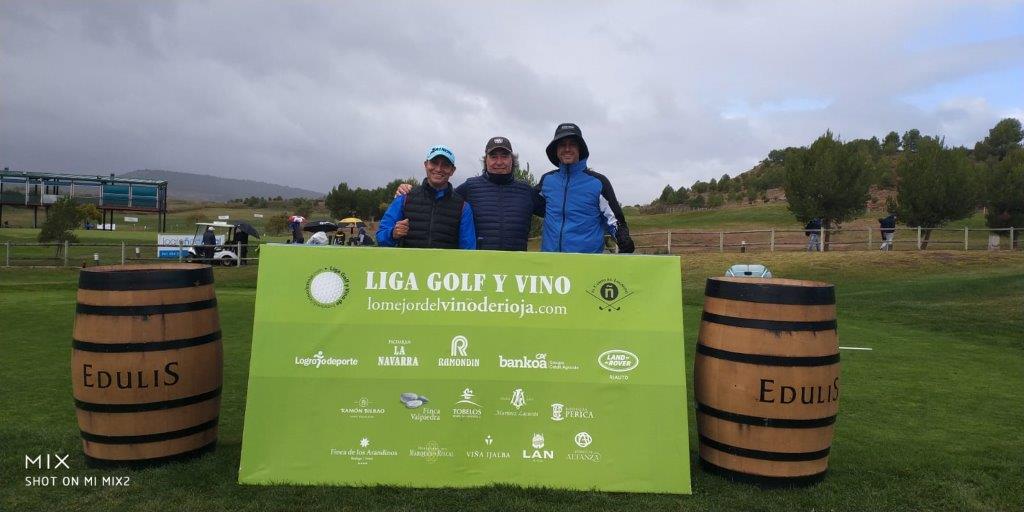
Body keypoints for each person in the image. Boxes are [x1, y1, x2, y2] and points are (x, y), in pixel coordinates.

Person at [396, 136, 542, 251]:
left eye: (504, 156)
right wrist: (410, 191)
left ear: (512, 160)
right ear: (486, 160)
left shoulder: (526, 191)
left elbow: (558, 213)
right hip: (478, 268)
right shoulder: (471, 186)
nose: (499, 161)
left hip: (517, 268)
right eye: (493, 156)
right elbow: (438, 198)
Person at [536, 122, 634, 254]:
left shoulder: (599, 182)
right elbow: (525, 203)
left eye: (572, 144)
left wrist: (623, 240)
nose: (567, 149)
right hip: (550, 263)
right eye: (562, 145)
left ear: (580, 148)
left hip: (587, 265)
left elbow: (615, 221)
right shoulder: (546, 180)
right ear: (556, 150)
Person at [376, 145, 476, 249]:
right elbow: (380, 238)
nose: (438, 169)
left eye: (445, 165)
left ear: (452, 170)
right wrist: (393, 234)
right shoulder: (404, 198)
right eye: (434, 162)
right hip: (407, 265)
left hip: (446, 265)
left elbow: (468, 250)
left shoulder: (463, 207)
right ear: (426, 164)